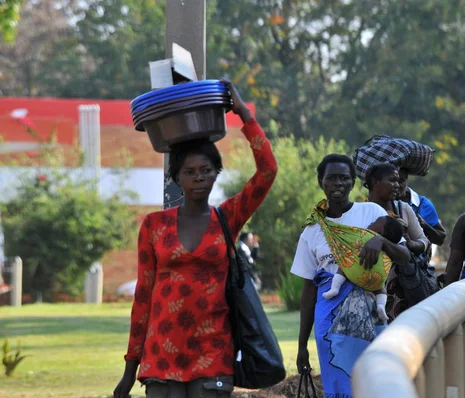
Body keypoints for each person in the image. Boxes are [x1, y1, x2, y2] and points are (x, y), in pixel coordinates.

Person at [113, 80, 278, 398]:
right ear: (177, 178)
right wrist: (129, 370)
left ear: (217, 173)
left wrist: (244, 115)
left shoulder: (228, 217)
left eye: (206, 170)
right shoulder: (154, 225)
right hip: (161, 355)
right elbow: (143, 297)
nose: (199, 177)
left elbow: (267, 171)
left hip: (212, 352)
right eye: (190, 172)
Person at [291, 154, 411, 398]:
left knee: (374, 380)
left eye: (344, 178)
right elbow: (309, 290)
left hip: (370, 317)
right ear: (320, 181)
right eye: (331, 178)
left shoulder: (371, 212)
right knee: (339, 382)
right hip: (329, 321)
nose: (338, 183)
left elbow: (404, 257)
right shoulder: (312, 230)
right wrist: (302, 345)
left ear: (353, 182)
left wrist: (381, 241)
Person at [364, 163, 438, 320]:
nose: (397, 185)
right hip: (370, 288)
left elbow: (423, 241)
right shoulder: (360, 211)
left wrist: (410, 243)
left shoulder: (403, 209)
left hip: (405, 287)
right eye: (392, 180)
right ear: (375, 183)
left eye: (398, 181)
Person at [322, 215, 407, 321]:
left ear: (380, 232)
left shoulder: (365, 236)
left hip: (357, 270)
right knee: (381, 289)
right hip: (377, 278)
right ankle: (380, 306)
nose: (371, 223)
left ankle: (335, 288)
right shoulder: (390, 248)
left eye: (375, 222)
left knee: (344, 264)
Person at [396, 168, 446, 251]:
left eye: (401, 181)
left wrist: (424, 225)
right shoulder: (381, 203)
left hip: (415, 261)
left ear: (406, 180)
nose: (397, 185)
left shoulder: (423, 204)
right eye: (393, 180)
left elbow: (440, 239)